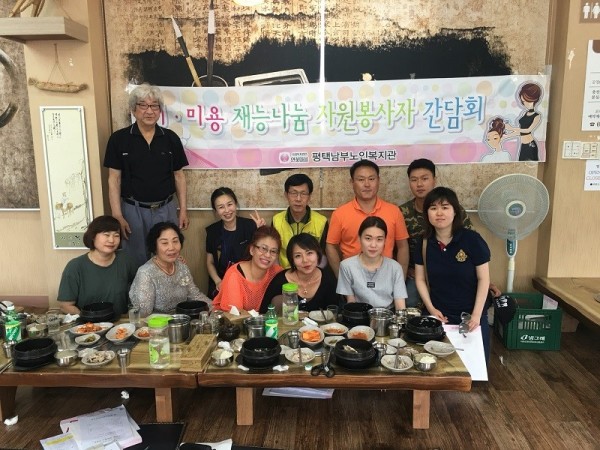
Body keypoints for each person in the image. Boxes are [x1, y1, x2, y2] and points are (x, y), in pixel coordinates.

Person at [104, 83, 190, 267]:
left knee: (168, 257)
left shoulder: (170, 138)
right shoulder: (119, 139)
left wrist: (183, 209)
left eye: (154, 106)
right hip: (132, 210)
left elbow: (179, 176)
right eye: (143, 105)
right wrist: (117, 215)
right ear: (133, 109)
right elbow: (114, 179)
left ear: (160, 110)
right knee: (135, 261)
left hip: (166, 208)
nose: (149, 111)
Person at [413, 187, 492, 362]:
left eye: (445, 207)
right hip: (439, 313)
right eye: (433, 208)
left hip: (471, 315)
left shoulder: (472, 239)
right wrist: (431, 309)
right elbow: (420, 279)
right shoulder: (423, 243)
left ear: (455, 211)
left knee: (474, 369)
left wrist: (476, 315)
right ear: (427, 213)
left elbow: (484, 279)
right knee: (436, 365)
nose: (439, 213)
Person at [399, 158, 473, 307]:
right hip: (415, 272)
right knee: (409, 302)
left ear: (434, 180)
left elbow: (470, 243)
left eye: (424, 178)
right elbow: (396, 247)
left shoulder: (453, 210)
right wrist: (406, 270)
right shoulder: (401, 212)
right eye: (414, 180)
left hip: (451, 269)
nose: (419, 184)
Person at [326, 159, 409, 279]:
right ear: (352, 182)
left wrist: (400, 280)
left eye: (371, 179)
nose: (367, 184)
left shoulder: (394, 211)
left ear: (378, 180)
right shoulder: (340, 214)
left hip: (386, 277)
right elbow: (331, 246)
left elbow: (402, 247)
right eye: (361, 179)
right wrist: (341, 278)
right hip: (352, 278)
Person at [58, 215, 137, 316]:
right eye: (106, 235)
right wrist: (88, 319)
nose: (111, 240)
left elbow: (138, 290)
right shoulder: (75, 266)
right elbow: (65, 306)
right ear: (93, 236)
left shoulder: (125, 260)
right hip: (88, 323)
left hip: (120, 323)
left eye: (116, 235)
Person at [129, 222, 210, 317]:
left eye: (175, 241)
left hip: (182, 321)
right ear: (154, 246)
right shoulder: (145, 273)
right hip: (157, 324)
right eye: (164, 243)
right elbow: (143, 314)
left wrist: (216, 307)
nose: (171, 248)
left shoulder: (181, 266)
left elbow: (195, 295)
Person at [336, 217, 407, 311]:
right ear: (359, 238)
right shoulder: (346, 266)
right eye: (368, 238)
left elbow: (400, 306)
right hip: (359, 314)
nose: (373, 245)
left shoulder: (395, 267)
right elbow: (351, 303)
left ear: (385, 241)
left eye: (379, 239)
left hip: (387, 315)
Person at [259, 233, 337, 314]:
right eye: (298, 256)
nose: (305, 260)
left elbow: (335, 314)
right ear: (292, 260)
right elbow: (264, 313)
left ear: (318, 254)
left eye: (309, 253)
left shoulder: (328, 279)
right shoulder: (279, 281)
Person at [213, 226, 283, 312]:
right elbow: (235, 315)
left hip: (261, 320)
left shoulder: (277, 273)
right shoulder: (235, 275)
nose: (268, 255)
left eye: (273, 251)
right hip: (228, 318)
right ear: (252, 250)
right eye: (263, 249)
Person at [205, 187, 258, 299]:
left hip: (246, 281)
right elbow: (210, 262)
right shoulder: (212, 231)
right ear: (216, 211)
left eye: (229, 204)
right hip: (221, 281)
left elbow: (258, 258)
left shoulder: (250, 226)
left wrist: (261, 232)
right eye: (221, 207)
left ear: (236, 204)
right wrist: (218, 281)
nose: (227, 210)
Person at [271, 173, 328, 269]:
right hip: (284, 272)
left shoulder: (321, 222)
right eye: (294, 193)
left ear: (309, 196)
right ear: (286, 195)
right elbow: (274, 253)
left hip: (310, 272)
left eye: (303, 193)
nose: (298, 199)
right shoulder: (276, 220)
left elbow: (323, 256)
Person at [505, 82, 543, 161]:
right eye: (523, 101)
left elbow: (528, 130)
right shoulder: (524, 113)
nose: (524, 104)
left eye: (526, 101)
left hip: (530, 145)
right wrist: (507, 136)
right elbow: (521, 132)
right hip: (523, 145)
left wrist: (512, 128)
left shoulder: (537, 116)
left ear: (533, 100)